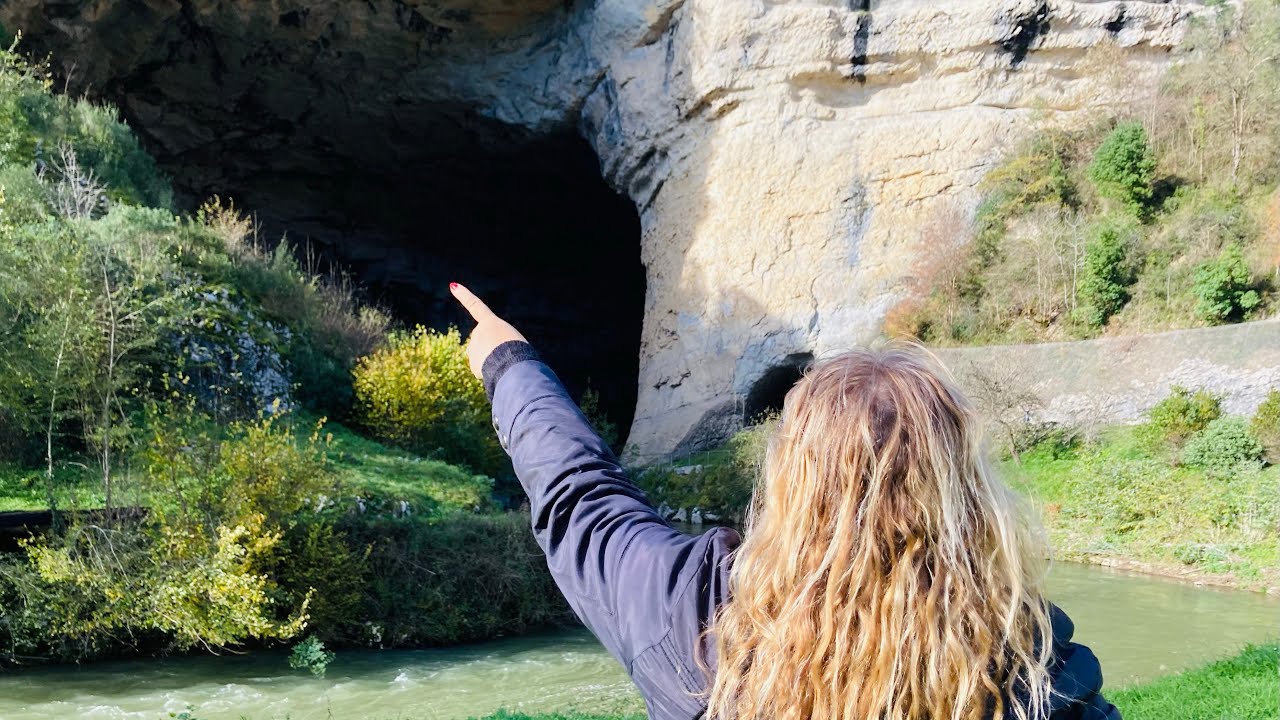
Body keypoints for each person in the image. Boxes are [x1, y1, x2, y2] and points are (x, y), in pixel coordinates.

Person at [449, 282, 1119, 720]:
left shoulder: (695, 619)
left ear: (787, 480)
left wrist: (510, 365)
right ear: (968, 493)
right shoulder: (1034, 669)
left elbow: (581, 498)